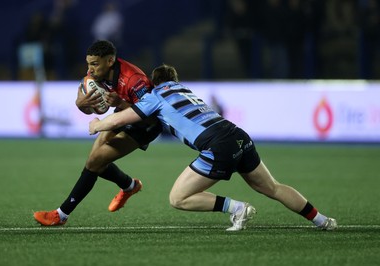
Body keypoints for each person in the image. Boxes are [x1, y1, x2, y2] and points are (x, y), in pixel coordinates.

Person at [88, 64, 337, 231]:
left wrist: (98, 125)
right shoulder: (185, 91)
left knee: (178, 198)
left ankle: (237, 208)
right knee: (273, 187)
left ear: (154, 83)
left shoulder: (155, 96)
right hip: (239, 136)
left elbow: (124, 118)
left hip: (216, 145)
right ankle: (321, 220)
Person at [33, 40, 162, 226]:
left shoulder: (135, 80)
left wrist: (121, 104)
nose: (90, 69)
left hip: (145, 126)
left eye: (94, 64)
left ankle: (60, 215)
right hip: (122, 114)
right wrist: (81, 105)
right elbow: (94, 109)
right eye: (88, 63)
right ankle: (130, 186)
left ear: (110, 61)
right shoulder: (95, 74)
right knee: (95, 160)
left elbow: (151, 116)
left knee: (95, 162)